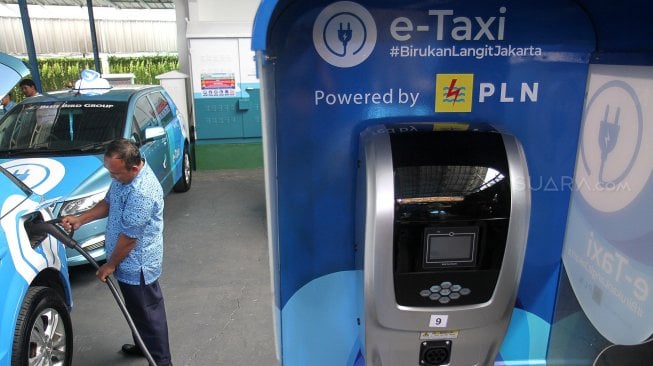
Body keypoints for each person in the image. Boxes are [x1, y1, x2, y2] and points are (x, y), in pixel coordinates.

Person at [61, 139, 172, 366]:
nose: (112, 177)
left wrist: (109, 265)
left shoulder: (143, 192)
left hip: (138, 263)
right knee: (135, 308)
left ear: (134, 167)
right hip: (124, 260)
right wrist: (80, 219)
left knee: (149, 314)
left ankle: (162, 361)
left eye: (116, 173)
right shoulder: (124, 178)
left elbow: (130, 239)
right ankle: (143, 346)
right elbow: (108, 202)